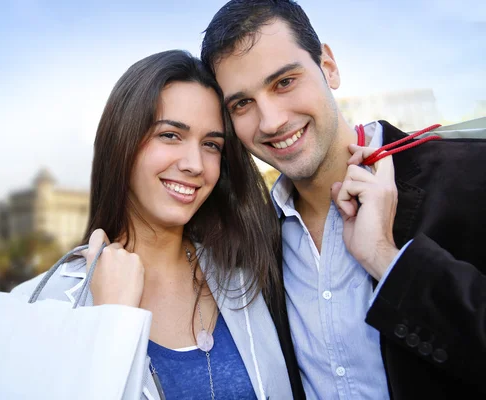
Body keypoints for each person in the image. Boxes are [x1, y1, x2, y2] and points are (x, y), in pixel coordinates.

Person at [200, 1, 486, 399]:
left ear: (328, 67)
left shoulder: (472, 174)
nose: (271, 121)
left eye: (284, 82)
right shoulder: (252, 242)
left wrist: (387, 259)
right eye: (242, 104)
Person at [12, 50, 295, 399]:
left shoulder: (247, 276)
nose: (194, 164)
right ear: (123, 142)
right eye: (170, 135)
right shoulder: (38, 306)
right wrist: (111, 323)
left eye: (211, 144)